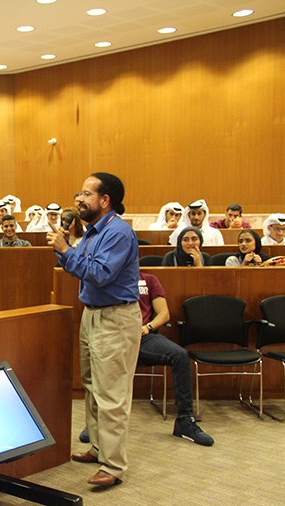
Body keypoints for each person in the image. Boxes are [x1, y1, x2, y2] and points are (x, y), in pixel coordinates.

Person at [47, 172, 140, 487]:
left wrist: (65, 249)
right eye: (79, 193)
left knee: (112, 391)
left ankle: (114, 466)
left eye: (87, 194)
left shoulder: (118, 233)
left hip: (115, 317)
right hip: (93, 314)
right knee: (93, 385)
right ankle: (99, 447)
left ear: (105, 200)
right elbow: (80, 269)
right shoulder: (91, 232)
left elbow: (99, 274)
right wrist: (68, 247)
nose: (79, 199)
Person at [83, 273, 215, 446]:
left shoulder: (149, 280)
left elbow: (164, 313)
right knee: (96, 355)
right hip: (114, 337)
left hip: (144, 337)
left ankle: (185, 420)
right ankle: (96, 423)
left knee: (180, 355)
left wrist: (147, 327)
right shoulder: (108, 277)